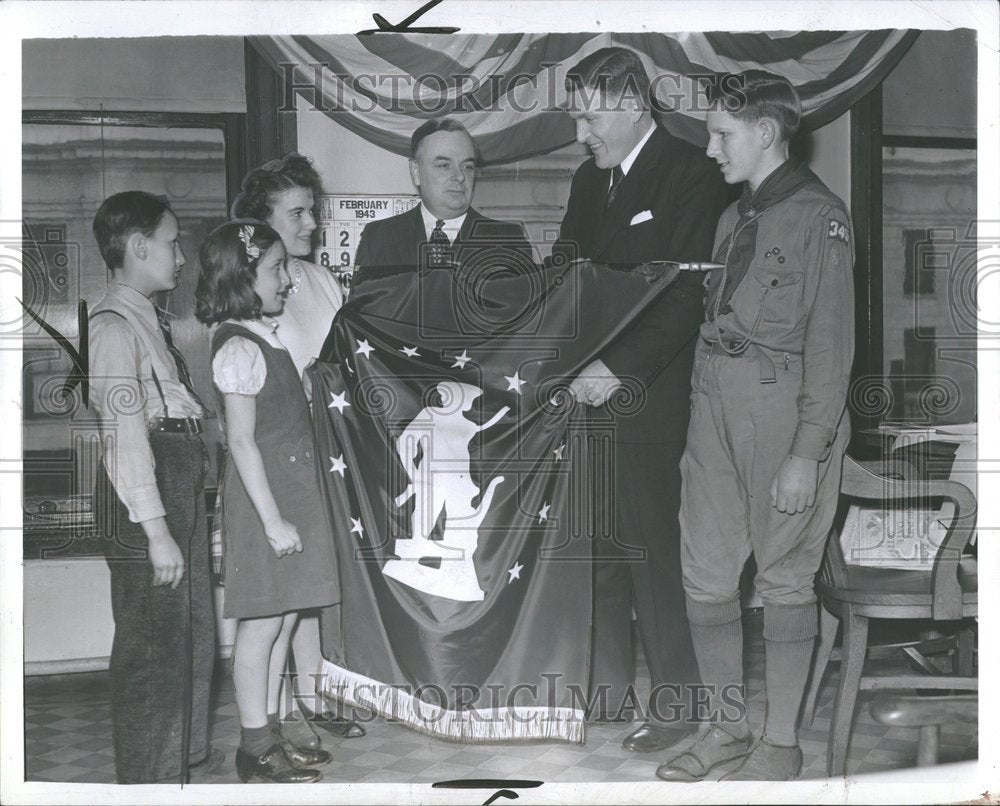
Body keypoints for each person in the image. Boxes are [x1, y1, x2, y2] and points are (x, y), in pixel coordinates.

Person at [656, 71, 854, 783]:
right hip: (713, 404)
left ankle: (779, 743)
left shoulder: (818, 216)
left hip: (782, 408)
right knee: (705, 570)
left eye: (721, 134)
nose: (710, 149)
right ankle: (726, 727)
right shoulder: (732, 218)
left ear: (766, 133)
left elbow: (831, 351)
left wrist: (807, 453)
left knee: (784, 577)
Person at [553, 47, 729, 751]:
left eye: (590, 116)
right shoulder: (587, 181)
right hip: (584, 398)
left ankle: (681, 705)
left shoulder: (692, 174)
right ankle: (607, 695)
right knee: (598, 547)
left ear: (631, 104)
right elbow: (564, 279)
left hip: (651, 398)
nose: (581, 133)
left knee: (652, 552)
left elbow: (689, 293)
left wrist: (617, 368)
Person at [195, 221, 340, 783]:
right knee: (260, 625)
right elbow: (240, 440)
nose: (288, 280)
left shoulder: (265, 333)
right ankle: (254, 744)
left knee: (283, 620)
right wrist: (273, 519)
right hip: (265, 504)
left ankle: (273, 730)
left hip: (291, 495)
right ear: (243, 277)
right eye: (276, 270)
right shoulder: (237, 343)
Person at [232, 153, 364, 746]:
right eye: (299, 212)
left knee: (311, 590)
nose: (313, 223)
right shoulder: (255, 298)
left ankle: (316, 699)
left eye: (313, 209)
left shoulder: (320, 280)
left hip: (327, 456)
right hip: (281, 462)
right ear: (262, 226)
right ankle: (278, 717)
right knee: (283, 602)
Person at [89, 191, 217, 783]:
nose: (182, 256)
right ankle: (148, 784)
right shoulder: (115, 327)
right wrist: (157, 529)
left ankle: (177, 770)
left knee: (186, 639)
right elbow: (123, 434)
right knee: (151, 650)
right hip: (149, 487)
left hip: (173, 474)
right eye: (172, 242)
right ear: (138, 248)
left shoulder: (147, 320)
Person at [353, 117, 532, 274]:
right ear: (416, 172)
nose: (460, 176)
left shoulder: (508, 241)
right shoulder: (378, 238)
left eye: (468, 166)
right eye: (444, 165)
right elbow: (361, 311)